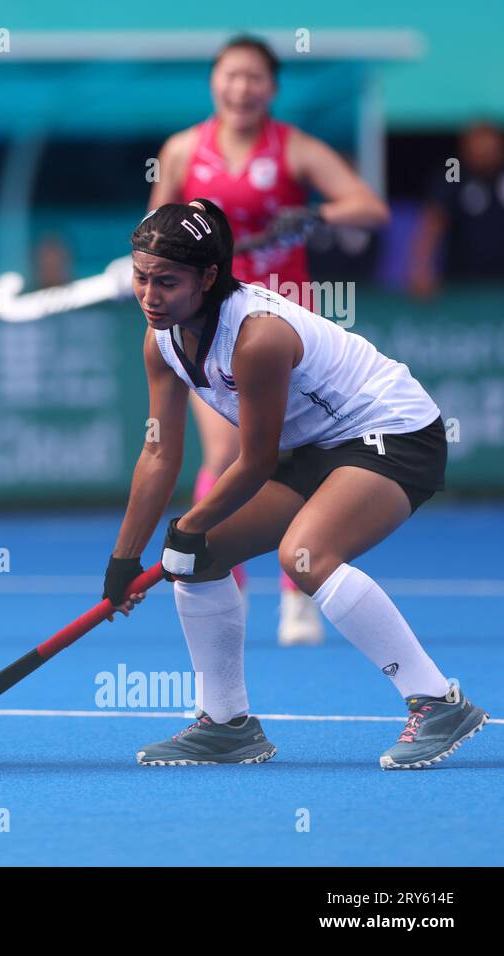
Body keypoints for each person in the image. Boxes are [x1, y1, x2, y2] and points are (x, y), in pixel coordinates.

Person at [103, 198, 487, 770]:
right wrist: (124, 560)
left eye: (166, 281)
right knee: (200, 555)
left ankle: (437, 701)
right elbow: (159, 452)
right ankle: (226, 725)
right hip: (316, 447)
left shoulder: (257, 338)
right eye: (140, 278)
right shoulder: (160, 339)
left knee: (305, 555)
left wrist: (187, 523)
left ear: (209, 277)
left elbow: (255, 462)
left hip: (393, 432)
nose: (150, 295)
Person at [148, 35, 390, 646]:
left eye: (255, 77)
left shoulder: (295, 149)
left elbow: (370, 208)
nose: (242, 87)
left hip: (281, 334)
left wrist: (316, 215)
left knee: (298, 463)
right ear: (215, 82)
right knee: (223, 460)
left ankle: (299, 593)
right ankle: (221, 586)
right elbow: (155, 234)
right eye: (232, 75)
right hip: (208, 329)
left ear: (272, 89)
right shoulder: (181, 150)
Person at [410, 122, 504, 297]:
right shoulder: (453, 173)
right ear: (465, 147)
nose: (484, 153)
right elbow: (434, 220)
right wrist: (421, 268)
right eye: (478, 147)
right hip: (461, 282)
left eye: (490, 148)